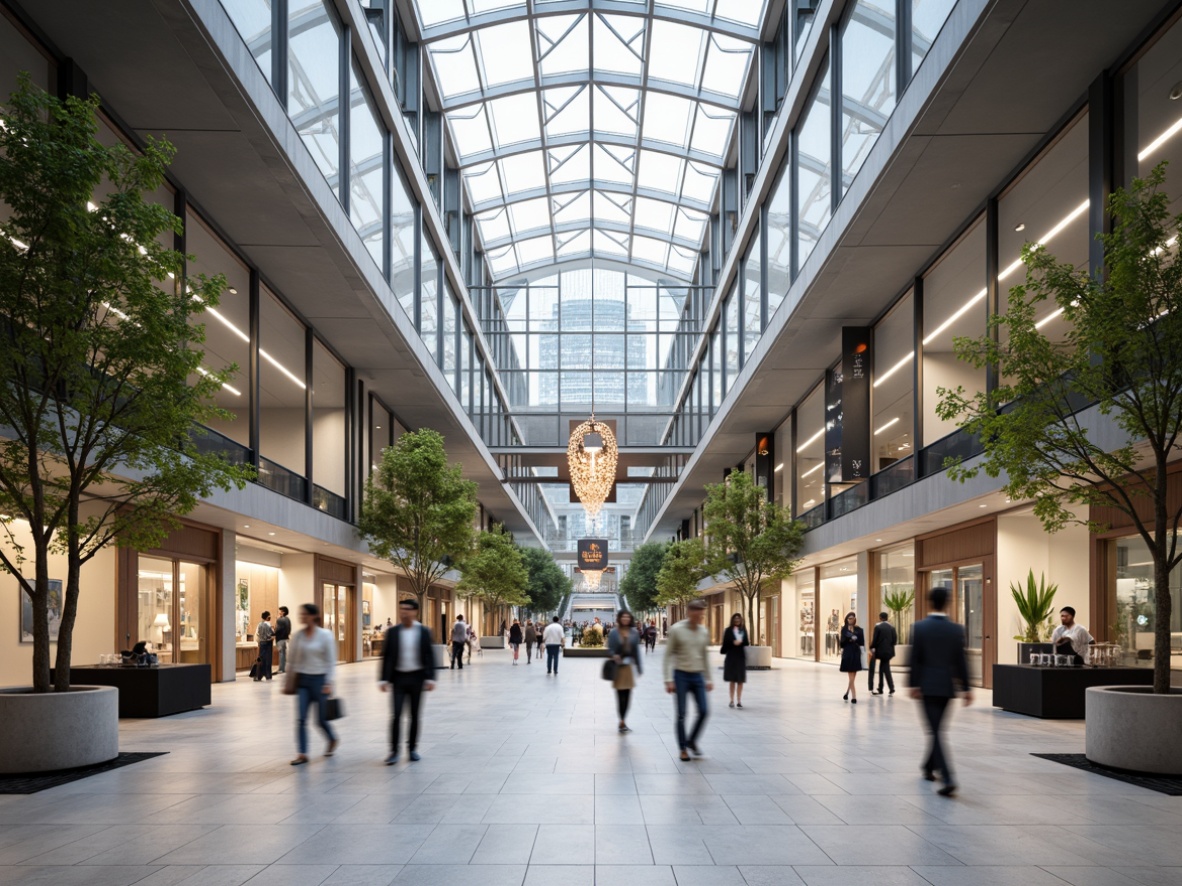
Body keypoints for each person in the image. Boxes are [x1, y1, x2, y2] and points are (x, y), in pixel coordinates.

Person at [910, 585, 972, 797]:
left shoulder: (920, 627)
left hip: (927, 687)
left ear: (929, 602)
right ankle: (928, 767)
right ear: (947, 603)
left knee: (935, 730)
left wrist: (914, 684)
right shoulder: (956, 629)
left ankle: (947, 777)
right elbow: (961, 661)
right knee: (936, 729)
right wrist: (966, 687)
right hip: (946, 687)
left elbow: (915, 658)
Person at [380, 598, 437, 764]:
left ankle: (412, 749)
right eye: (401, 609)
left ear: (415, 612)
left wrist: (431, 677)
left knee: (414, 715)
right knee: (396, 715)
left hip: (417, 678)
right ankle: (394, 751)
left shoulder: (424, 631)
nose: (403, 612)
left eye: (407, 609)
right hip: (398, 679)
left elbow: (429, 655)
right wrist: (383, 679)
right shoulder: (393, 632)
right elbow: (387, 656)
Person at [287, 603, 337, 765]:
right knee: (301, 718)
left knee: (320, 719)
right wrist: (288, 679)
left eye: (305, 614)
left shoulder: (325, 635)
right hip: (303, 681)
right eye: (301, 614)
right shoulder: (297, 636)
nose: (302, 617)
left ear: (314, 616)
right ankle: (302, 753)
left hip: (320, 680)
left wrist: (329, 682)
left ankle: (331, 738)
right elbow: (292, 660)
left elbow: (330, 661)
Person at [664, 599, 712, 762]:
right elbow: (667, 655)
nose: (699, 615)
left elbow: (705, 655)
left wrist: (708, 678)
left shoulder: (703, 631)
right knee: (681, 714)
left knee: (704, 711)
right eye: (696, 611)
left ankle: (691, 740)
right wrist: (668, 679)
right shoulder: (677, 630)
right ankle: (683, 748)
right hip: (681, 675)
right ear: (689, 612)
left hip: (698, 675)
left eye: (702, 612)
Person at [607, 610, 643, 733]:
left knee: (627, 696)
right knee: (619, 695)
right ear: (620, 618)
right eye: (623, 617)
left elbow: (636, 651)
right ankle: (621, 720)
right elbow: (609, 649)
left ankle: (623, 720)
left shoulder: (634, 633)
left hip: (628, 668)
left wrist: (639, 667)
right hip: (618, 667)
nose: (626, 619)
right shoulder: (614, 633)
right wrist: (614, 655)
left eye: (628, 617)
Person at [720, 612, 750, 708]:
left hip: (740, 657)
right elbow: (725, 644)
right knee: (732, 680)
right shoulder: (728, 630)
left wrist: (741, 642)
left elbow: (747, 642)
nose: (737, 620)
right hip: (731, 657)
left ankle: (739, 700)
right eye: (735, 619)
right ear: (732, 620)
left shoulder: (743, 630)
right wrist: (733, 642)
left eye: (738, 619)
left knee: (740, 680)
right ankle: (731, 700)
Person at [868, 611, 897, 696]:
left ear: (880, 618)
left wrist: (871, 647)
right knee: (883, 668)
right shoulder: (892, 628)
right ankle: (884, 688)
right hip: (889, 652)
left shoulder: (878, 627)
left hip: (879, 651)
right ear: (887, 618)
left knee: (884, 669)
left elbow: (875, 640)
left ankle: (887, 688)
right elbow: (894, 641)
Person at [839, 612, 864, 703]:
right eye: (849, 618)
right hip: (848, 652)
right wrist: (849, 639)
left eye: (852, 618)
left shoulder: (859, 630)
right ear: (846, 619)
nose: (851, 620)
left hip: (856, 653)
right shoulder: (844, 630)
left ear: (854, 619)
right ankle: (853, 697)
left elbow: (862, 642)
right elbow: (842, 643)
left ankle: (847, 693)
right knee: (851, 675)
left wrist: (862, 651)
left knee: (854, 675)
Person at [254, 611, 274, 682]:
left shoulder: (259, 624)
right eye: (269, 616)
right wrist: (272, 637)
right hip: (268, 643)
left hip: (262, 643)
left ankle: (259, 675)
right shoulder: (268, 625)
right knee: (268, 660)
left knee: (262, 659)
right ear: (267, 617)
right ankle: (268, 675)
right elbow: (271, 634)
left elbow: (258, 634)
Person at [275, 606, 291, 674]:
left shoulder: (280, 620)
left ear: (283, 612)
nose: (278, 612)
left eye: (279, 611)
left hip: (280, 639)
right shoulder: (288, 619)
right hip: (286, 638)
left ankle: (281, 669)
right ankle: (283, 668)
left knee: (281, 654)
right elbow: (289, 629)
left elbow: (277, 630)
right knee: (284, 654)